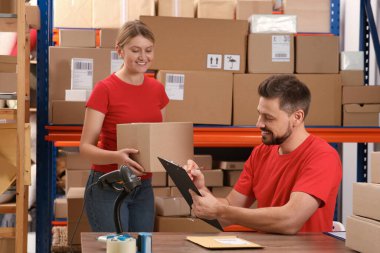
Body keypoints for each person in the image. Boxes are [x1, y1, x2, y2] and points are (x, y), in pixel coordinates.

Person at [186, 74, 342, 234]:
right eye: (260, 114)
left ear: (297, 117)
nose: (259, 123)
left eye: (268, 117)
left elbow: (290, 221)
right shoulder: (261, 153)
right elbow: (228, 212)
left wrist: (220, 210)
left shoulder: (322, 157)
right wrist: (201, 191)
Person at [80, 20, 169, 232]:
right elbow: (86, 148)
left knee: (141, 246)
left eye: (148, 50)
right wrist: (117, 157)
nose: (143, 57)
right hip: (108, 184)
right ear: (120, 51)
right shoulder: (105, 90)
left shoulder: (157, 90)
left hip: (143, 186)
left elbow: (160, 139)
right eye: (135, 50)